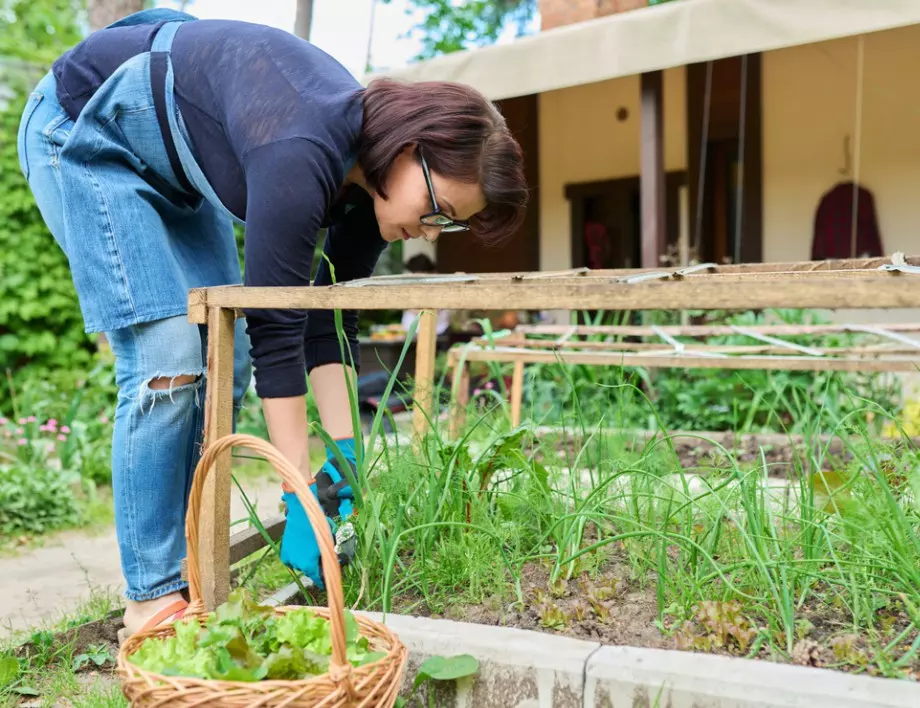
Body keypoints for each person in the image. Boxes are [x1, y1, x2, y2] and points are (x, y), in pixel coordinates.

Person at [17, 8, 527, 639]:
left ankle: (185, 571)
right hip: (83, 132)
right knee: (169, 357)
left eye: (447, 225)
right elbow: (276, 326)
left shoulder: (372, 190)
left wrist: (342, 462)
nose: (428, 231)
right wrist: (299, 495)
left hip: (176, 176)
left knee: (220, 364)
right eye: (438, 210)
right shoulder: (303, 149)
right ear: (411, 149)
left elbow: (325, 324)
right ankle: (151, 597)